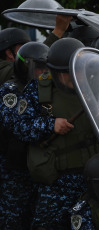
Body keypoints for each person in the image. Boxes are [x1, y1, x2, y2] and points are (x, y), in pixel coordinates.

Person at [14, 37, 99, 229]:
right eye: (66, 73)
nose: (73, 77)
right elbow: (20, 127)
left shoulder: (96, 87)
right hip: (56, 184)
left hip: (93, 179)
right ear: (54, 72)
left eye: (76, 71)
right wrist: (50, 124)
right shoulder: (38, 89)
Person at [0, 41, 50, 229]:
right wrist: (50, 125)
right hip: (15, 168)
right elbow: (15, 124)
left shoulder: (48, 90)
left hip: (40, 167)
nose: (43, 73)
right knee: (12, 219)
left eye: (46, 68)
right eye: (39, 69)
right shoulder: (10, 90)